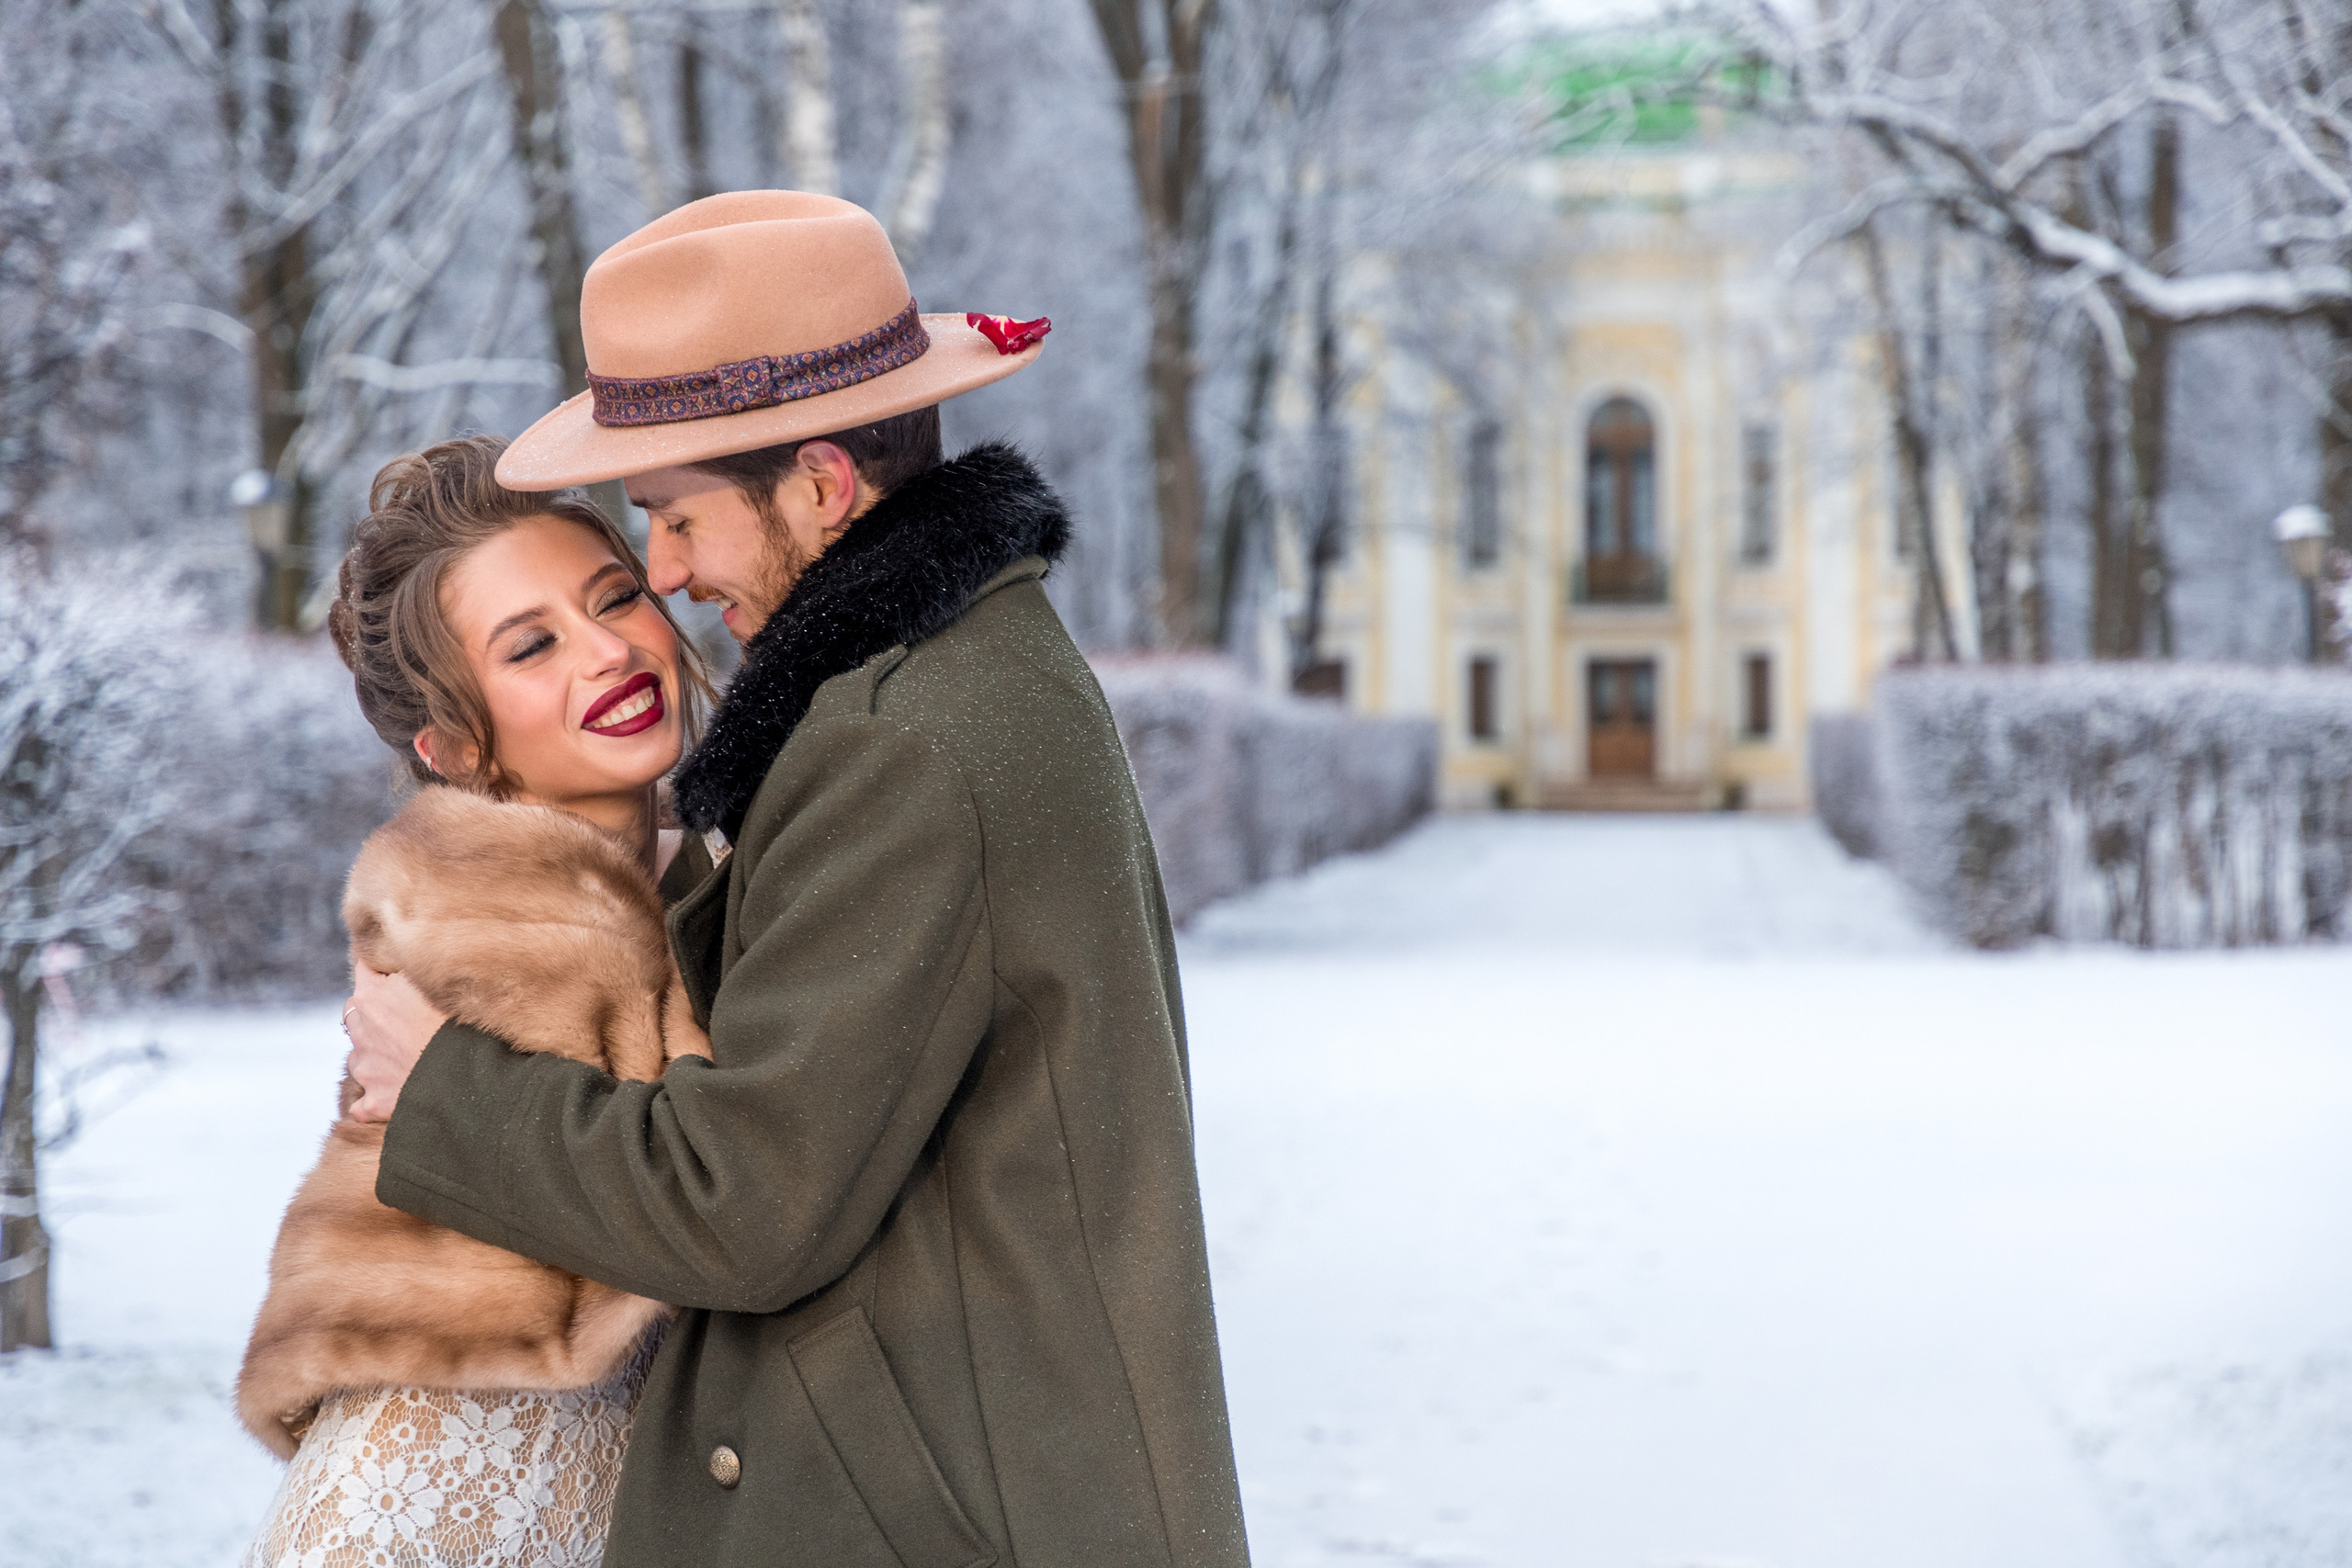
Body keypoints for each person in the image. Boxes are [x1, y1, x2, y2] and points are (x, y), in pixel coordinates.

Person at [341, 189, 1252, 1567]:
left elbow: (744, 1201)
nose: (666, 573)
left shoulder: (903, 741)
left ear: (822, 487)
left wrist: (447, 1087)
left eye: (676, 518)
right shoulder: (944, 687)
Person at [241, 434, 720, 1566]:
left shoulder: (696, 876)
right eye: (532, 645)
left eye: (618, 597)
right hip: (436, 1493)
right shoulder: (477, 927)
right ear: (455, 745)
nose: (609, 651)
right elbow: (722, 1191)